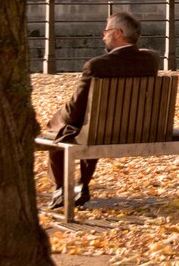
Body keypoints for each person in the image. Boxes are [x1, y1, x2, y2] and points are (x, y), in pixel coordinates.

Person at [43, 11, 160, 210]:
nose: (102, 35)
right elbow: (148, 52)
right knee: (94, 125)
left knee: (61, 128)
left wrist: (58, 116)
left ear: (118, 33)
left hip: (100, 131)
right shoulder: (151, 61)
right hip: (140, 130)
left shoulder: (96, 66)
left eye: (106, 31)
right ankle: (82, 184)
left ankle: (61, 188)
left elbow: (74, 111)